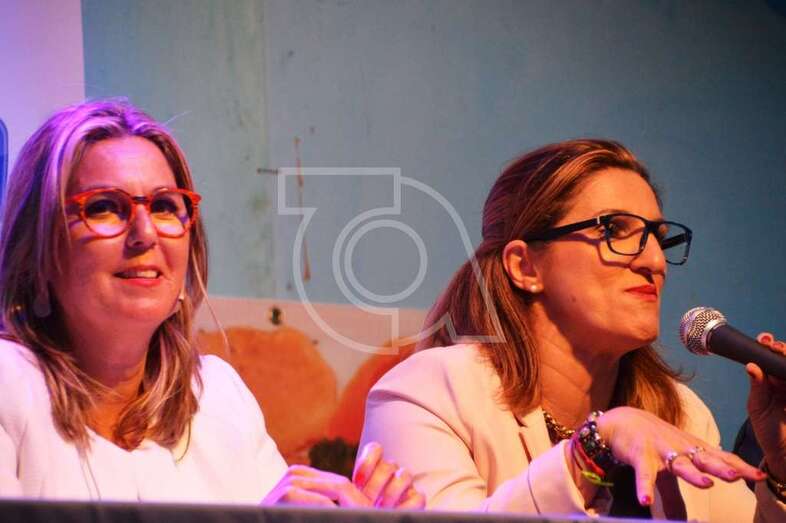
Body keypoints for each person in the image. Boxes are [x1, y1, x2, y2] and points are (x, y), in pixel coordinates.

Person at [0, 99, 423, 509]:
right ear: (37, 252)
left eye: (164, 206)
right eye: (104, 207)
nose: (145, 234)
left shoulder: (218, 395)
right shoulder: (9, 383)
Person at [359, 139, 786, 521]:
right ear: (525, 266)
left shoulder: (681, 413)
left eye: (658, 237)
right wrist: (595, 445)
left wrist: (782, 471)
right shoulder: (432, 391)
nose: (654, 261)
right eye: (614, 229)